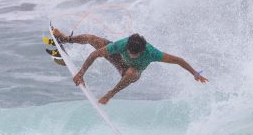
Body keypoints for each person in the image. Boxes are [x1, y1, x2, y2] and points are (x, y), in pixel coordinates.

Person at [52, 28, 208, 104]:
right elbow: (94, 54)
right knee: (92, 38)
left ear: (143, 50)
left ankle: (110, 94)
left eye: (136, 54)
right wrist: (81, 73)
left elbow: (178, 60)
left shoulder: (152, 53)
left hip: (129, 71)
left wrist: (195, 73)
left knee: (133, 72)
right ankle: (65, 39)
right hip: (117, 58)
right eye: (131, 52)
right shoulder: (121, 45)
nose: (132, 55)